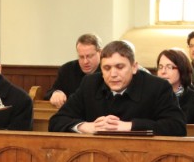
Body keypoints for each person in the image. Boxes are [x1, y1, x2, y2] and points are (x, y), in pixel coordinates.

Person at [48, 40, 186, 136]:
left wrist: (129, 126)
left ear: (134, 67)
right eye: (107, 68)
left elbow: (177, 127)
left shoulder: (158, 87)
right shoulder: (90, 84)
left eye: (120, 67)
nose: (113, 74)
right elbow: (56, 121)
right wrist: (87, 126)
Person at [45, 33, 101, 108]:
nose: (85, 61)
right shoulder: (67, 70)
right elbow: (51, 92)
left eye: (89, 56)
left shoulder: (108, 70)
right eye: (81, 57)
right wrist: (56, 93)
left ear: (100, 52)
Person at [155, 48, 194, 124]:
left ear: (182, 69)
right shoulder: (150, 97)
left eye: (169, 67)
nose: (163, 71)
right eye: (160, 67)